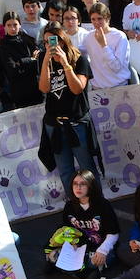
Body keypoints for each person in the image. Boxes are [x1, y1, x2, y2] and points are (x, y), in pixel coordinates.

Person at [37, 21, 94, 190]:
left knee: (86, 169)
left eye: (53, 41)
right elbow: (44, 88)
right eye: (46, 42)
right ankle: (74, 205)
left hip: (76, 122)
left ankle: (96, 203)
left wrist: (65, 64)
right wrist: (47, 60)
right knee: (65, 170)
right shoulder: (43, 58)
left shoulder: (79, 59)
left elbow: (77, 89)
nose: (49, 45)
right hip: (54, 124)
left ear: (62, 41)